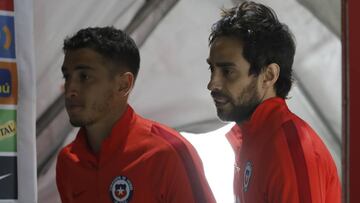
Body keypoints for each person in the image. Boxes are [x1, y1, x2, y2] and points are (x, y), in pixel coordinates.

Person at [56, 26, 216, 203]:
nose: (70, 89)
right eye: (67, 76)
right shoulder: (68, 161)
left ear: (123, 84)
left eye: (84, 76)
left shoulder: (168, 152)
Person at [206, 1, 341, 203]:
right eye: (212, 70)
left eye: (227, 71)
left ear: (269, 75)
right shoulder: (253, 139)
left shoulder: (291, 151)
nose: (212, 84)